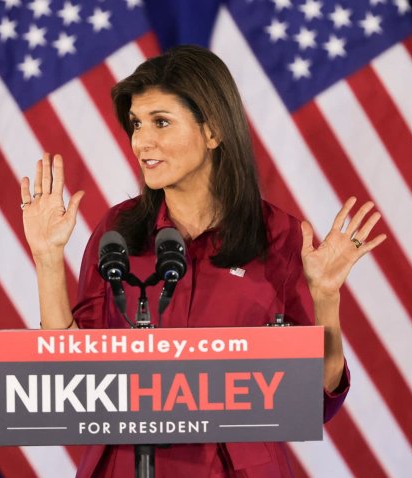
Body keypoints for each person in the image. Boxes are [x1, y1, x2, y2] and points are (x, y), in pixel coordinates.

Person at [20, 45, 386, 477]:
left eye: (161, 122)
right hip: (126, 464)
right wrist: (47, 259)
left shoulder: (279, 236)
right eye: (137, 124)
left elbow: (313, 399)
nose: (142, 141)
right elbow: (70, 377)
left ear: (213, 131)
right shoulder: (118, 230)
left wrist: (326, 297)